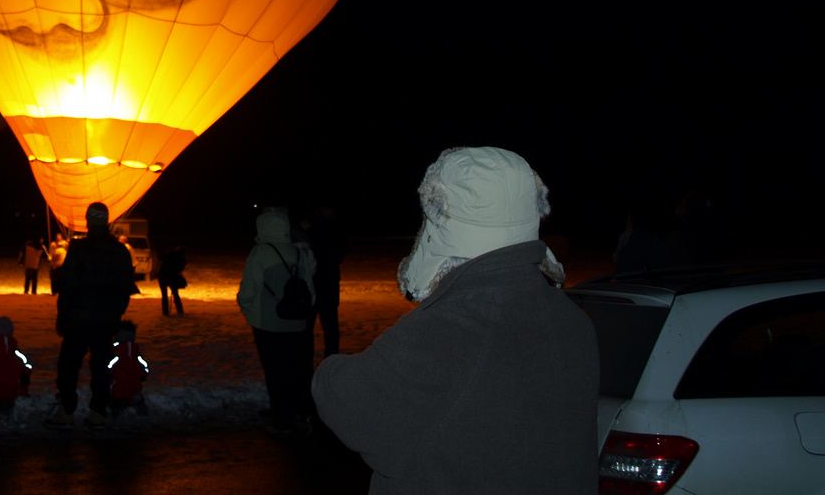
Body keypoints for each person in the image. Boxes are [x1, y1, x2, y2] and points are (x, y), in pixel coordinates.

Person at [312, 146, 599, 494]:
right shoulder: (573, 320)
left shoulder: (453, 328)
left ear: (441, 219)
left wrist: (328, 368)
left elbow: (343, 399)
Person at [44, 203, 136, 430]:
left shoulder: (78, 249)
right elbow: (126, 287)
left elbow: (68, 286)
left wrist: (62, 316)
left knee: (68, 365)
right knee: (101, 366)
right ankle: (98, 411)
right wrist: (116, 313)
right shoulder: (120, 251)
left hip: (78, 318)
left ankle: (66, 410)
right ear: (108, 222)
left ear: (88, 221)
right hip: (105, 320)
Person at [237, 207, 316, 434]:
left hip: (267, 325)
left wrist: (249, 313)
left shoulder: (260, 253)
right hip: (296, 325)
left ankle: (282, 418)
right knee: (295, 369)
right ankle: (301, 411)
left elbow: (248, 292)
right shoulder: (298, 253)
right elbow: (310, 291)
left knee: (275, 372)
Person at [301, 206, 345, 355]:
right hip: (328, 283)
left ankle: (307, 357)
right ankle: (331, 356)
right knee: (330, 325)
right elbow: (339, 254)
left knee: (309, 325)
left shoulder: (310, 231)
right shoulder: (335, 231)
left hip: (314, 283)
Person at [106, 319, 149, 417]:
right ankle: (135, 399)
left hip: (119, 384)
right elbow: (143, 365)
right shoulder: (135, 350)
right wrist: (144, 374)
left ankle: (118, 404)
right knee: (132, 387)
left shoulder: (116, 351)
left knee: (116, 392)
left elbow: (110, 366)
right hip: (135, 384)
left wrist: (107, 373)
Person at [158, 246, 186, 316]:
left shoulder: (169, 254)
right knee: (175, 293)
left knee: (164, 294)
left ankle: (165, 312)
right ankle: (180, 311)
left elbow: (160, 257)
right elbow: (180, 268)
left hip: (163, 275)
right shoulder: (180, 259)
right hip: (171, 276)